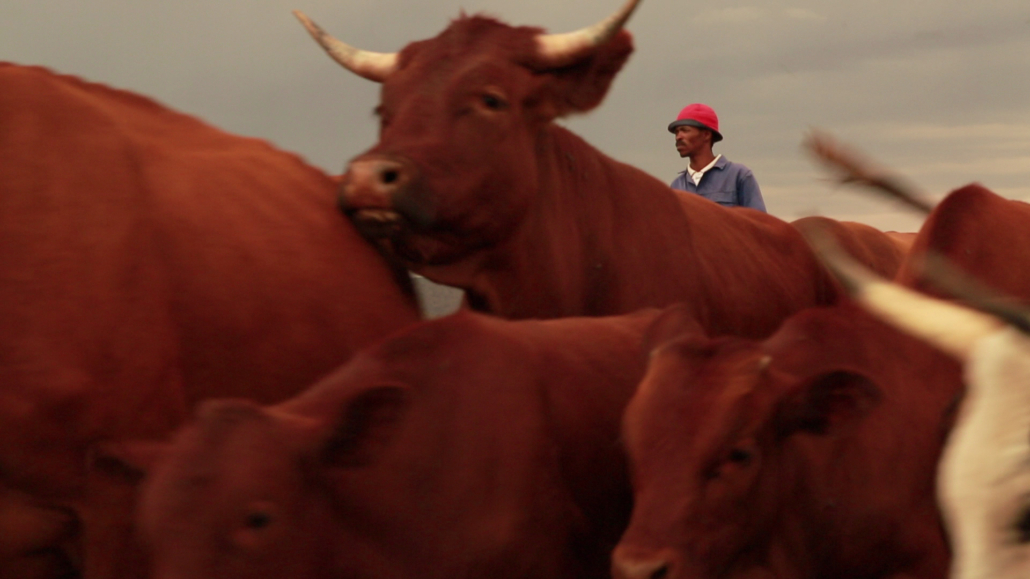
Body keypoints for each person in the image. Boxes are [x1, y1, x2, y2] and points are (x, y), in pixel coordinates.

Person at [667, 103, 766, 211]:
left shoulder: (738, 176)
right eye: (676, 132)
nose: (678, 137)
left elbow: (759, 223)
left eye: (685, 130)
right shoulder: (677, 186)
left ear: (706, 135)